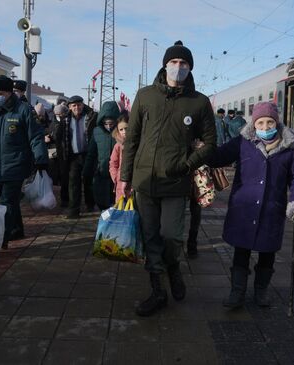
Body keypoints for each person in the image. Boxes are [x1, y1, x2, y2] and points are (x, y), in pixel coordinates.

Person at [120, 40, 216, 317]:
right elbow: (132, 139)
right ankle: (157, 291)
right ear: (164, 65)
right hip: (144, 182)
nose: (178, 67)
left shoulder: (199, 102)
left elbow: (211, 143)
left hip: (176, 182)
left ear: (190, 68)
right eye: (173, 62)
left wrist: (187, 165)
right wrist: (126, 177)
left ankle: (173, 267)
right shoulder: (145, 95)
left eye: (183, 63)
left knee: (172, 236)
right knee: (151, 237)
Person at [207, 102, 294, 308]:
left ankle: (261, 291)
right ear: (254, 125)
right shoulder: (243, 143)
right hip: (244, 208)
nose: (265, 127)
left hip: (272, 209)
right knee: (241, 252)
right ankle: (237, 292)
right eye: (260, 123)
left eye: (269, 122)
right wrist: (203, 149)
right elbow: (218, 157)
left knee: (267, 253)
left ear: (277, 122)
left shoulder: (289, 149)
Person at [0, 75, 48, 247]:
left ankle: (2, 238)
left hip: (16, 165)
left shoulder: (23, 110)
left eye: (0, 93)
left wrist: (40, 158)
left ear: (10, 93)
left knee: (6, 203)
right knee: (11, 202)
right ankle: (17, 228)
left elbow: (36, 136)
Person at [52, 95, 97, 219]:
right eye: (74, 105)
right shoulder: (65, 120)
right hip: (73, 156)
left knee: (88, 180)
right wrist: (62, 156)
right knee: (73, 183)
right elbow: (59, 138)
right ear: (70, 107)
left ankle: (90, 203)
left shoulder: (91, 117)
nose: (77, 107)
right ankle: (74, 210)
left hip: (88, 154)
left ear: (83, 105)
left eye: (79, 105)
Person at [83, 101, 121, 210]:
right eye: (106, 123)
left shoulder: (121, 133)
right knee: (102, 202)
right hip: (101, 174)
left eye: (111, 123)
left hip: (116, 176)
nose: (108, 126)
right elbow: (91, 154)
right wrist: (87, 171)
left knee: (117, 204)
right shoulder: (96, 132)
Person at [46, 104, 70, 207]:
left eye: (60, 114)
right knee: (54, 177)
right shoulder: (53, 123)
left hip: (66, 153)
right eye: (56, 114)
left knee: (65, 177)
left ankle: (65, 199)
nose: (58, 116)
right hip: (54, 154)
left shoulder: (68, 123)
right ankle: (56, 198)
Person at [109, 114, 129, 204]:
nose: (124, 131)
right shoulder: (118, 146)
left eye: (126, 128)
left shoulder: (138, 143)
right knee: (121, 211)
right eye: (121, 129)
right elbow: (113, 163)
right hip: (120, 184)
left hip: (134, 185)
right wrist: (115, 176)